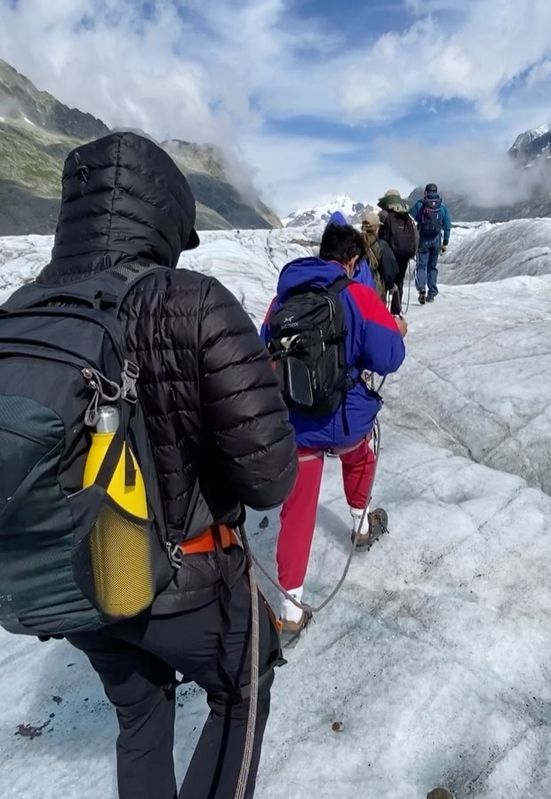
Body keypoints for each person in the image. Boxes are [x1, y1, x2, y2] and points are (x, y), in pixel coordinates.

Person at [34, 132, 297, 799]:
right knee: (246, 682)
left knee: (140, 712)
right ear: (167, 219)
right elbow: (270, 479)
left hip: (66, 581)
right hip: (179, 579)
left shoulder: (21, 312)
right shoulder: (193, 301)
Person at [261, 223, 407, 647]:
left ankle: (290, 611)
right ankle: (361, 526)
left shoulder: (281, 300)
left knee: (298, 507)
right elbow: (389, 359)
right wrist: (395, 330)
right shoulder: (358, 295)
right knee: (362, 451)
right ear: (353, 261)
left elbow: (261, 352)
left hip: (297, 425)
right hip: (345, 422)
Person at [410, 183, 451, 304]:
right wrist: (445, 243)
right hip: (436, 240)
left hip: (423, 239)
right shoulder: (442, 207)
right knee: (432, 267)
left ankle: (421, 289)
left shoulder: (420, 204)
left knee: (421, 266)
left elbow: (410, 218)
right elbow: (447, 226)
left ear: (426, 192)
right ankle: (432, 293)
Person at [377, 189, 417, 314]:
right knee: (399, 282)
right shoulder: (406, 215)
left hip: (388, 254)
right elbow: (415, 235)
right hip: (404, 254)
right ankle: (396, 311)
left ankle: (382, 312)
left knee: (384, 282)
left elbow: (378, 235)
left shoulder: (383, 215)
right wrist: (412, 251)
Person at [361, 210, 399, 303]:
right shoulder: (381, 245)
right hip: (375, 288)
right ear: (376, 227)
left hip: (357, 288)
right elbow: (389, 269)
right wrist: (391, 285)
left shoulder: (354, 242)